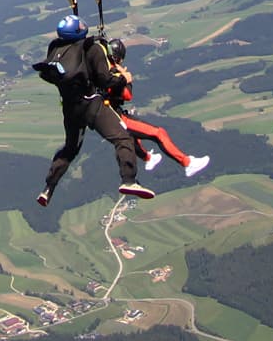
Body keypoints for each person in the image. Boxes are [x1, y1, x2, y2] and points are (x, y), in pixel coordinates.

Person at [32, 14, 154, 205]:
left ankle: (48, 188)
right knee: (123, 138)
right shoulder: (92, 48)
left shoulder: (54, 48)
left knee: (70, 148)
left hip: (70, 109)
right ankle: (129, 180)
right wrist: (125, 78)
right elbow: (106, 81)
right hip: (91, 104)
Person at [106, 41, 210, 179]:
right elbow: (127, 95)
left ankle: (148, 158)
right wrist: (127, 80)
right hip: (116, 116)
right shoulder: (113, 74)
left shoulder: (101, 70)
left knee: (131, 136)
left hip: (108, 117)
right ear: (118, 58)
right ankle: (187, 163)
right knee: (158, 133)